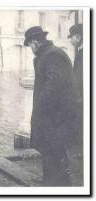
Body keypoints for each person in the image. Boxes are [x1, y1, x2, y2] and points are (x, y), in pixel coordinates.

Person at [24, 26, 78, 186]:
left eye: (30, 45)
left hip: (57, 116)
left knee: (54, 149)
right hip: (51, 115)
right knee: (48, 148)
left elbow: (52, 87)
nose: (30, 49)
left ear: (35, 42)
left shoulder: (53, 55)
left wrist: (41, 109)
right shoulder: (47, 54)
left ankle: (59, 185)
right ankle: (48, 179)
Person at [68, 24, 84, 186]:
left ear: (78, 36)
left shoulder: (82, 53)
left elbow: (77, 80)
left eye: (71, 36)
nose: (71, 40)